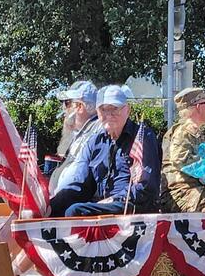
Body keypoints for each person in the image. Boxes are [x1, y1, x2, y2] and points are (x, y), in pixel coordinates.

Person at [50, 84, 160, 216]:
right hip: (106, 207)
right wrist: (52, 205)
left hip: (133, 208)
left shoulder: (143, 137)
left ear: (127, 110)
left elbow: (146, 186)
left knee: (75, 212)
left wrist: (115, 199)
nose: (109, 114)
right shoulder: (95, 142)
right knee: (54, 209)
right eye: (103, 109)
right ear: (97, 112)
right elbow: (80, 184)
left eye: (114, 108)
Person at [49, 80, 101, 194]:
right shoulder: (82, 133)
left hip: (77, 206)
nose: (64, 109)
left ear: (80, 106)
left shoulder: (96, 133)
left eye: (67, 103)